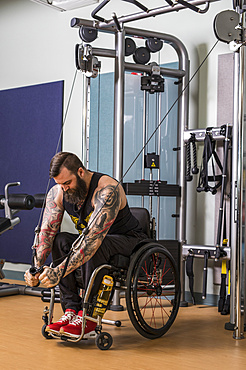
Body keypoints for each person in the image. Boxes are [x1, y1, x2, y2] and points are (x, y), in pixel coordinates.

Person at [24, 151, 147, 338]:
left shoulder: (107, 190)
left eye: (67, 183)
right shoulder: (59, 192)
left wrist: (59, 271)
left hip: (128, 240)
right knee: (61, 240)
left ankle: (88, 315)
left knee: (97, 243)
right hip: (95, 240)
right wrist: (36, 267)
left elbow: (92, 240)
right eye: (59, 184)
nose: (64, 188)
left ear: (80, 172)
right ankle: (71, 310)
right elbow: (47, 232)